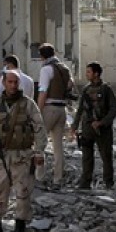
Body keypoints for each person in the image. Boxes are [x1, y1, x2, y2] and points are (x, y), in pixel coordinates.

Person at [0, 70, 47, 232]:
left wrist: (39, 151)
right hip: (2, 155)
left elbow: (40, 128)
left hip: (22, 155)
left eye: (15, 82)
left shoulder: (28, 104)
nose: (13, 85)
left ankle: (20, 229)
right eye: (9, 82)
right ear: (4, 83)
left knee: (22, 192)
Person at [70, 62, 116, 189]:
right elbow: (80, 109)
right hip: (87, 128)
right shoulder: (86, 90)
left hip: (103, 130)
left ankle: (108, 183)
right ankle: (85, 183)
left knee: (106, 157)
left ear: (96, 73)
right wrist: (74, 126)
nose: (87, 74)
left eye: (89, 72)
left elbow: (114, 108)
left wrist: (102, 122)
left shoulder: (106, 89)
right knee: (86, 157)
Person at [36, 43, 72, 185]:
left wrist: (37, 111)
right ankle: (58, 178)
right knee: (58, 146)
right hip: (62, 109)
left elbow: (43, 92)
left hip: (49, 107)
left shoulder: (46, 69)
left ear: (42, 56)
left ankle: (39, 176)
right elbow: (70, 85)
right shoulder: (64, 68)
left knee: (39, 144)